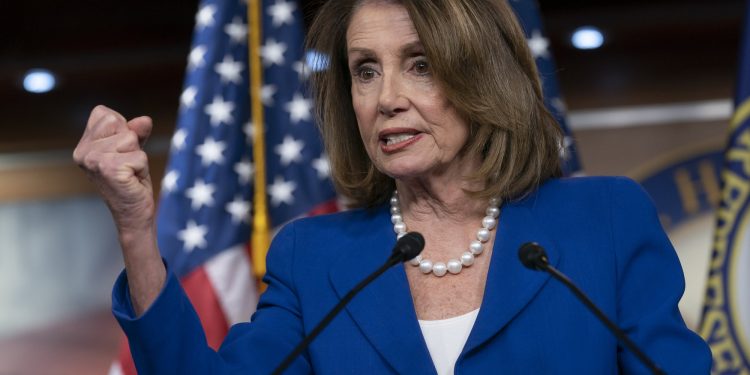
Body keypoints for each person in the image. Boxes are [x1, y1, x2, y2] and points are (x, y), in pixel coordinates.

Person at [73, 0, 712, 373]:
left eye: (420, 66)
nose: (387, 100)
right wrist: (135, 225)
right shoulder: (315, 257)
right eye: (365, 71)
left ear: (482, 76)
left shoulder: (603, 220)